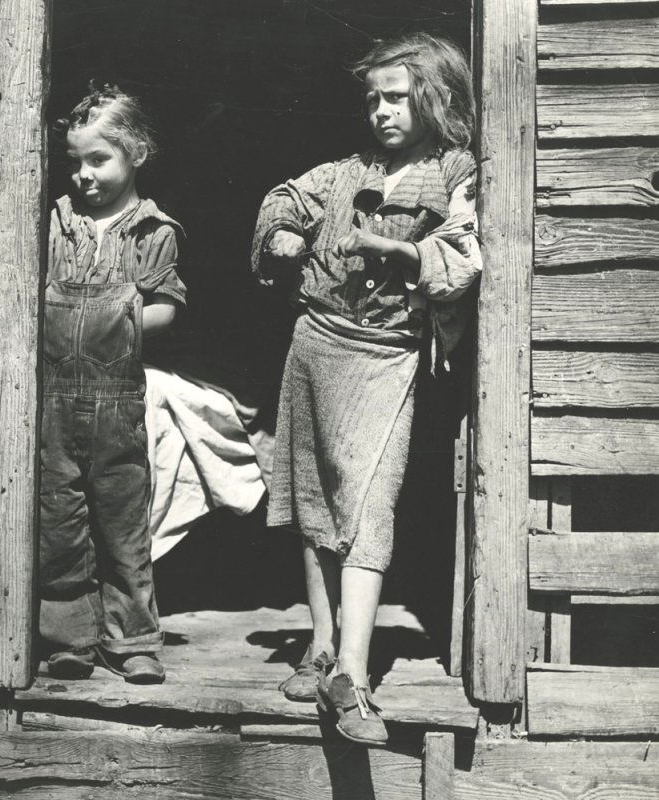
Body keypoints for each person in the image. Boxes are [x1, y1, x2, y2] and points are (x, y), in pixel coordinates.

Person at [251, 33, 481, 744]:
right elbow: (285, 197)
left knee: (368, 503)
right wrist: (283, 231)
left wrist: (402, 250)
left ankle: (352, 673)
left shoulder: (455, 170)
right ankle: (323, 644)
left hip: (385, 355)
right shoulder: (351, 169)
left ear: (435, 98)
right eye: (374, 99)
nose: (380, 111)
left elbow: (467, 252)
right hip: (316, 343)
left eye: (396, 98)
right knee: (316, 498)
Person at [38, 83, 186, 684]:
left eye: (98, 159)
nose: (83, 175)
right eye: (74, 161)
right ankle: (68, 636)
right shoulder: (57, 222)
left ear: (137, 153)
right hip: (51, 399)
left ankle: (134, 641)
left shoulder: (152, 230)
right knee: (60, 522)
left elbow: (169, 306)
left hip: (116, 400)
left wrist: (113, 321)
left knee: (122, 524)